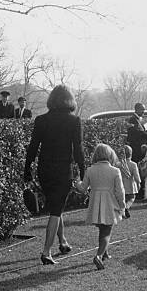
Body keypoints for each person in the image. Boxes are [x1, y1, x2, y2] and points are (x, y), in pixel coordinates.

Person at [24, 85, 85, 265]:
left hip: (44, 170)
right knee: (57, 210)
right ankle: (46, 251)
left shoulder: (41, 120)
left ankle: (63, 242)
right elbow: (78, 149)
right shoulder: (74, 121)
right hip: (63, 170)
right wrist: (83, 170)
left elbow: (33, 147)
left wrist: (27, 169)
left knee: (55, 207)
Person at [75, 143, 126, 270]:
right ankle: (99, 255)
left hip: (95, 203)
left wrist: (76, 181)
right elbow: (120, 191)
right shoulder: (114, 171)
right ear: (110, 155)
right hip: (109, 202)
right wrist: (123, 205)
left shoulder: (90, 170)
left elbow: (82, 188)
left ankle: (105, 253)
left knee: (102, 230)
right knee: (107, 230)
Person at [116, 145, 141, 218]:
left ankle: (122, 211)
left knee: (122, 199)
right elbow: (136, 176)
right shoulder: (133, 164)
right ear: (131, 154)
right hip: (130, 185)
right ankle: (126, 207)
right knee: (132, 198)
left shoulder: (118, 164)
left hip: (121, 185)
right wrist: (138, 183)